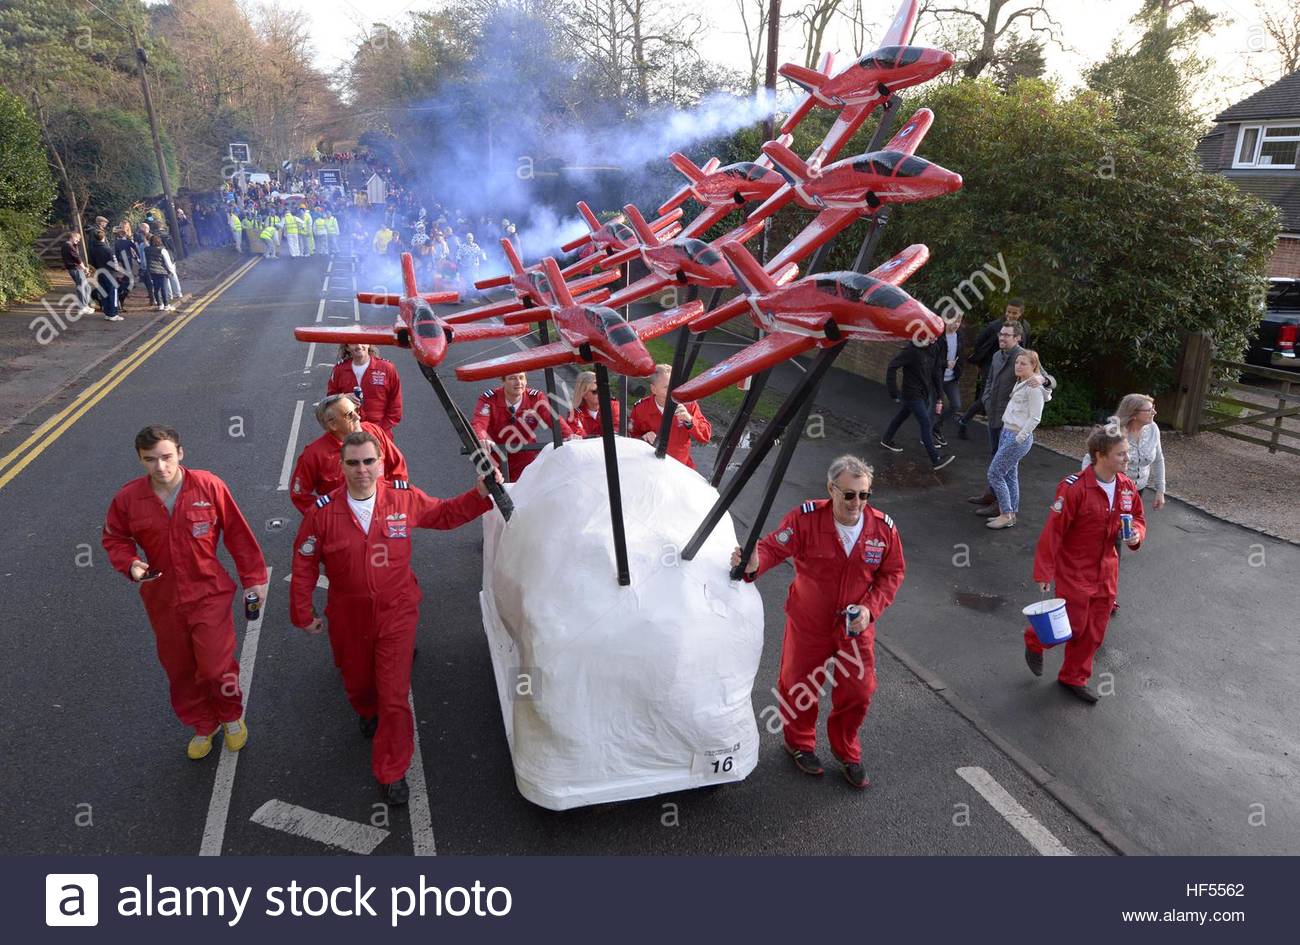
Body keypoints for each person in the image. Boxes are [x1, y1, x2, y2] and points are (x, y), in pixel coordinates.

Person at [290, 431, 497, 803]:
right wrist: (301, 611)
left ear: (381, 462)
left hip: (396, 613)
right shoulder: (321, 513)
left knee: (394, 696)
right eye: (353, 463)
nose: (362, 470)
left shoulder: (401, 497)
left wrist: (481, 494)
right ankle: (366, 710)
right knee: (358, 683)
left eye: (369, 461)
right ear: (341, 466)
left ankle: (392, 769)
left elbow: (444, 514)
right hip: (348, 617)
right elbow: (304, 562)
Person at [733, 455, 905, 788]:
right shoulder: (806, 518)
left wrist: (870, 609)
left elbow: (893, 572)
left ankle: (846, 751)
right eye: (849, 494)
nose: (857, 503)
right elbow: (771, 548)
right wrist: (754, 561)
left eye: (864, 495)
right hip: (809, 622)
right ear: (831, 489)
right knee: (799, 686)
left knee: (859, 691)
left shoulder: (882, 529)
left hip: (855, 629)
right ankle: (798, 742)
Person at [102, 426, 268, 759]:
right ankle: (203, 724)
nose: (160, 466)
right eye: (150, 460)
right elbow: (114, 538)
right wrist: (131, 563)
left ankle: (231, 715)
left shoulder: (208, 485)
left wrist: (254, 578)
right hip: (162, 597)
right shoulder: (128, 499)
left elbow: (237, 533)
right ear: (140, 460)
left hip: (208, 591)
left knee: (215, 666)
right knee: (179, 667)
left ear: (180, 452)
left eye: (166, 456)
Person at [1024, 425, 1146, 704]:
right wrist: (1045, 571)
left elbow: (1138, 517)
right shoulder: (1074, 488)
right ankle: (1034, 639)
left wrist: (1136, 533)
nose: (1128, 459)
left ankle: (1074, 677)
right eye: (1121, 454)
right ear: (1099, 455)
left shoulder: (1126, 487)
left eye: (1127, 453)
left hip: (1107, 571)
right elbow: (1053, 531)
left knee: (1094, 630)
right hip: (1075, 570)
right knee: (1074, 625)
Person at [1081, 393, 1166, 615]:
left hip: (1135, 491)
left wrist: (1160, 490)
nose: (1154, 413)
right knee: (1108, 543)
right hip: (1108, 490)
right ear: (1134, 413)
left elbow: (1158, 459)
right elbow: (1089, 458)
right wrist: (1086, 489)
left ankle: (1107, 594)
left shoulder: (1153, 429)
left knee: (1117, 543)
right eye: (1149, 409)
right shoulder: (1113, 429)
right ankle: (1094, 591)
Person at [969, 321, 1052, 515]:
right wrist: (986, 399)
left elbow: (1049, 381)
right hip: (996, 416)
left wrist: (1043, 379)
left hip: (1013, 423)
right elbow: (989, 380)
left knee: (1001, 467)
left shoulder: (1024, 357)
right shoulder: (997, 355)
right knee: (996, 457)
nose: (1001, 337)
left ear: (1017, 338)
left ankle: (1001, 505)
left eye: (1007, 335)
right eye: (1001, 334)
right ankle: (991, 495)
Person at [290, 393, 409, 513]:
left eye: (356, 410)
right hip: (343, 521)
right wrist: (325, 516)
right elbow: (300, 495)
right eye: (349, 415)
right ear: (332, 424)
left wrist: (395, 499)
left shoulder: (374, 431)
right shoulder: (314, 454)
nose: (358, 417)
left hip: (381, 511)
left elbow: (397, 466)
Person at [985, 350, 1047, 529]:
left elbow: (1035, 417)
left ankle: (1005, 514)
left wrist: (1019, 437)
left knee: (995, 473)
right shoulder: (1022, 382)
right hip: (1007, 432)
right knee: (1010, 475)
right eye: (1017, 363)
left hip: (1016, 436)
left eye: (1023, 363)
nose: (1018, 366)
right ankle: (1010, 514)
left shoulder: (1034, 387)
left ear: (1033, 366)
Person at [471, 372, 571, 482]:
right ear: (503, 381)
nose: (518, 382)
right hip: (497, 458)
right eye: (512, 378)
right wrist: (481, 438)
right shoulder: (489, 398)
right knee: (494, 496)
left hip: (526, 458)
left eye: (521, 378)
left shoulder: (535, 397)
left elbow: (554, 419)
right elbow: (479, 423)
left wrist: (569, 435)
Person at [957, 299, 1031, 438]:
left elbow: (1027, 347)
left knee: (1007, 397)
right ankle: (964, 420)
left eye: (1014, 313)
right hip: (991, 366)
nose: (1010, 315)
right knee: (986, 397)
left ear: (1021, 313)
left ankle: (1001, 429)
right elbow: (979, 342)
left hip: (1012, 367)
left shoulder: (1025, 327)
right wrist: (982, 363)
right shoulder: (995, 326)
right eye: (1008, 311)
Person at [879, 334, 953, 470]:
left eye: (935, 336)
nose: (935, 339)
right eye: (931, 336)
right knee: (925, 422)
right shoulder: (911, 350)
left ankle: (886, 439)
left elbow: (936, 372)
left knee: (902, 415)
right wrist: (893, 391)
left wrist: (939, 396)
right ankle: (936, 459)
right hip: (911, 393)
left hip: (923, 392)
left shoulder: (934, 348)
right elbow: (892, 366)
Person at [629, 364, 712, 469]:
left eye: (675, 386)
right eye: (666, 387)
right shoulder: (641, 409)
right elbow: (629, 439)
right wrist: (643, 438)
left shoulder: (688, 405)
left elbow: (705, 437)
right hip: (650, 468)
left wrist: (690, 421)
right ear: (653, 389)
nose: (672, 392)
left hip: (681, 470)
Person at [326, 343, 403, 433]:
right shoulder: (339, 370)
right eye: (353, 343)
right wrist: (343, 397)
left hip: (380, 432)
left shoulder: (386, 368)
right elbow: (330, 401)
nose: (358, 346)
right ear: (347, 347)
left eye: (362, 341)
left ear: (369, 344)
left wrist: (382, 429)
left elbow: (395, 403)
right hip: (350, 432)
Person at [930, 313, 963, 447]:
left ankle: (936, 428)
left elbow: (960, 357)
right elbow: (932, 359)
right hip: (936, 378)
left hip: (951, 379)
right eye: (953, 321)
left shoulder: (959, 336)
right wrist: (945, 364)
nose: (956, 324)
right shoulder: (938, 336)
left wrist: (958, 373)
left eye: (959, 321)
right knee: (931, 408)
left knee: (956, 405)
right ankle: (927, 436)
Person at [566, 371, 620, 437]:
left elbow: (617, 432)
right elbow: (580, 440)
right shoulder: (575, 414)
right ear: (584, 394)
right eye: (595, 391)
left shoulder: (613, 405)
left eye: (602, 389)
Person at [87, 228, 124, 322]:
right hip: (110, 274)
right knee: (113, 294)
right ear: (103, 237)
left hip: (99, 273)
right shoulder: (108, 249)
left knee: (104, 294)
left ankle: (107, 313)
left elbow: (91, 261)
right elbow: (114, 263)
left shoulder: (92, 249)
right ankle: (113, 314)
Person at [60, 231, 95, 316]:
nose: (78, 240)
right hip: (75, 269)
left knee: (87, 287)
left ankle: (85, 305)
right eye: (77, 238)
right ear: (72, 236)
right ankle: (83, 307)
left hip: (76, 269)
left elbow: (76, 256)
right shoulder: (68, 246)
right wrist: (85, 269)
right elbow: (77, 258)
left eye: (79, 239)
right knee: (82, 288)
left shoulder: (68, 245)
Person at [145, 235, 178, 311]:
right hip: (162, 271)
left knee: (156, 288)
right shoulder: (162, 250)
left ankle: (160, 305)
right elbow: (168, 262)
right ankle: (166, 305)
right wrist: (172, 271)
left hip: (152, 271)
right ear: (159, 241)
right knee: (164, 288)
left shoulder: (146, 249)